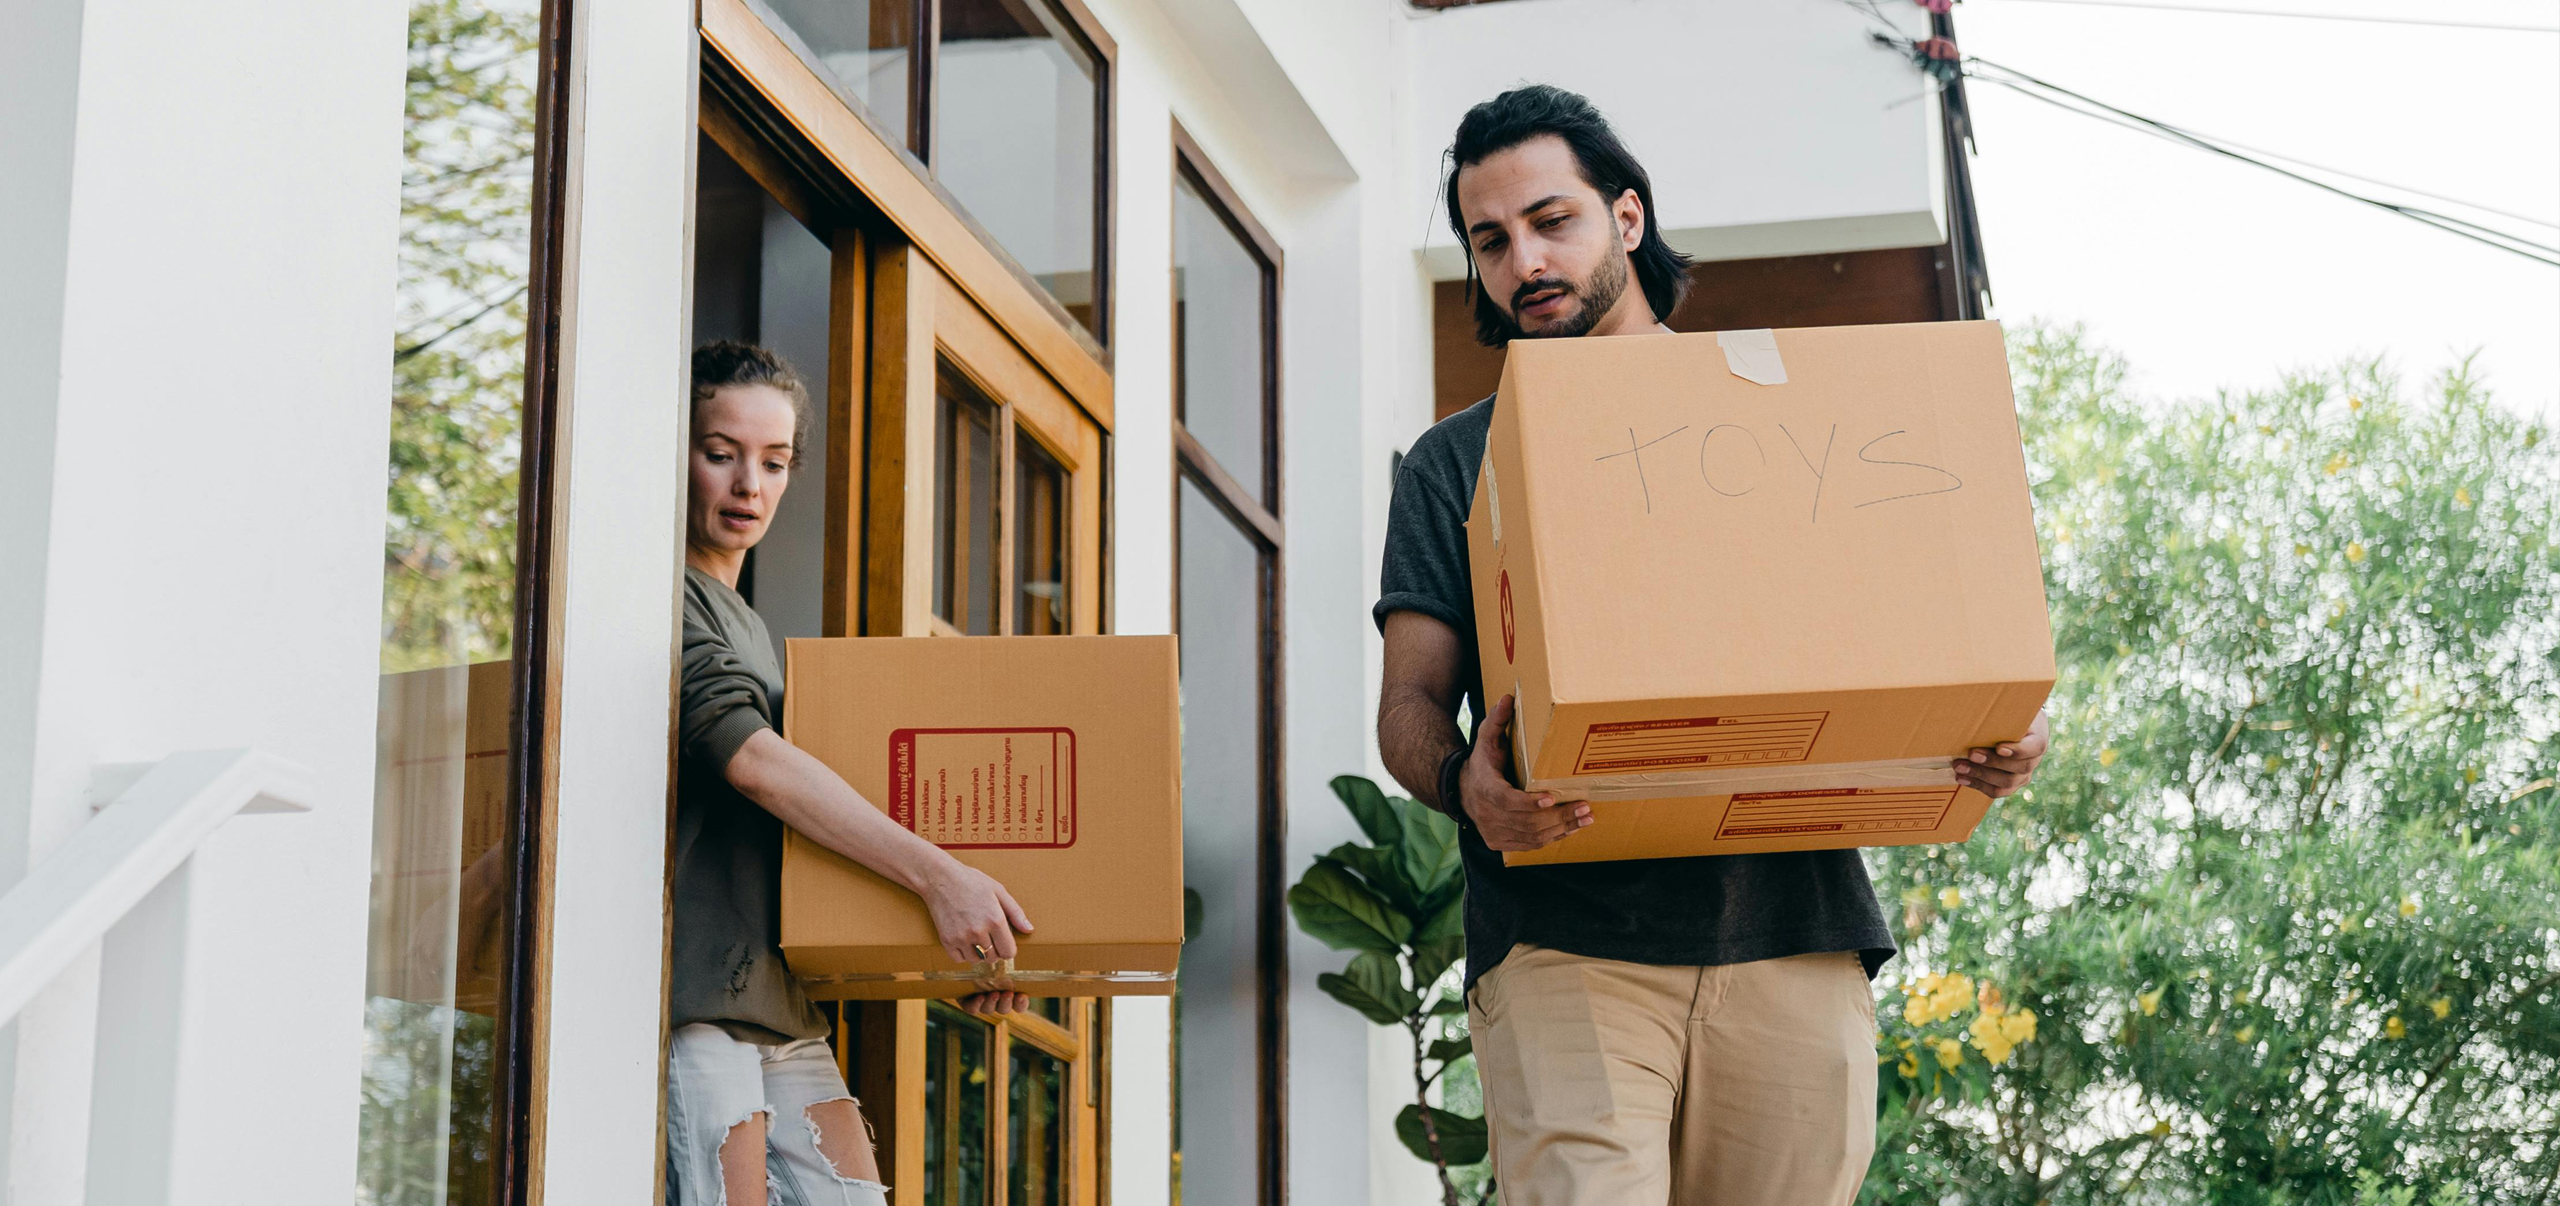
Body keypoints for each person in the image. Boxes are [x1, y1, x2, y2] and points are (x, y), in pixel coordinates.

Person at [1373, 87, 2053, 1205]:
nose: (1523, 260)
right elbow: (1407, 701)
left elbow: (1921, 620)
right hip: (1567, 950)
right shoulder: (1453, 463)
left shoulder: (1777, 410)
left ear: (1626, 220)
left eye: (1553, 221)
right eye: (1490, 241)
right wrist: (1463, 785)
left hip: (1794, 931)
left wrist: (1988, 725)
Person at [670, 341, 1032, 1206]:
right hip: (696, 1004)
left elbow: (811, 842)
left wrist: (960, 949)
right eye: (720, 455)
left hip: (780, 1006)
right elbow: (753, 763)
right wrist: (944, 879)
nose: (748, 485)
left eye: (774, 461)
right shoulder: (659, 597)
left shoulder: (751, 627)